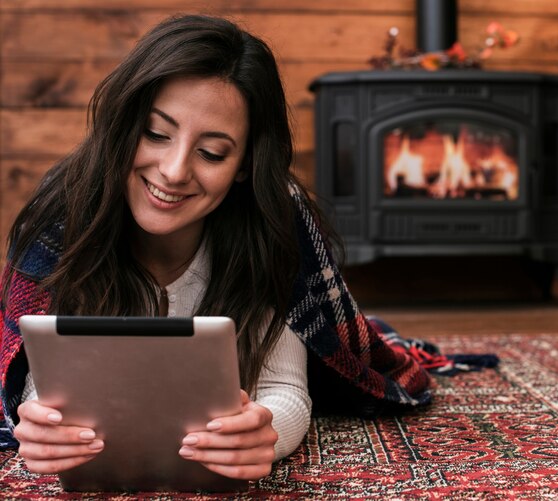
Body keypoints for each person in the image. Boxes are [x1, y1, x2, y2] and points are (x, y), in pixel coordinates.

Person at [0, 14, 437, 484]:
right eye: (156, 133)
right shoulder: (61, 219)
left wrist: (265, 433)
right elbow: (35, 380)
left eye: (211, 153)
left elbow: (283, 388)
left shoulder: (273, 225)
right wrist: (41, 426)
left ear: (245, 166)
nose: (173, 171)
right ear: (124, 125)